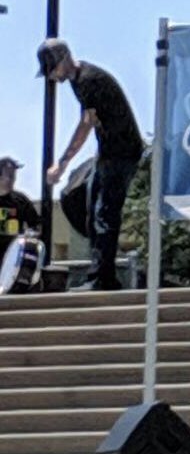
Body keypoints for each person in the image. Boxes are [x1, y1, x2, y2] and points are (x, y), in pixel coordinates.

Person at [39, 38, 145, 291]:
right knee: (85, 204)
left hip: (122, 153)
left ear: (63, 59)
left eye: (52, 69)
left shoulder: (89, 80)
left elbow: (86, 124)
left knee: (104, 214)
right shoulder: (78, 80)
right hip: (107, 153)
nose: (52, 76)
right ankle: (100, 273)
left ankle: (103, 279)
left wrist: (62, 164)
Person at [0, 156, 41, 262]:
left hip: (13, 261)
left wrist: (29, 236)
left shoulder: (21, 200)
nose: (12, 180)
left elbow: (36, 225)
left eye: (13, 176)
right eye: (9, 176)